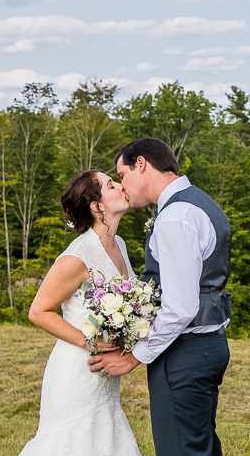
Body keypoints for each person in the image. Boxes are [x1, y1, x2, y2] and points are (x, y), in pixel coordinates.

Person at [89, 138, 232, 456]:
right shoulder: (199, 202)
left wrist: (134, 356)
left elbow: (180, 307)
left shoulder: (176, 217)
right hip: (208, 345)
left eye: (122, 175)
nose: (123, 186)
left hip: (184, 353)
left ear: (141, 164)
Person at [20, 170, 142, 456]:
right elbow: (38, 312)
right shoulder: (78, 256)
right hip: (77, 373)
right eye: (111, 185)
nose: (121, 186)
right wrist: (88, 342)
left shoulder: (119, 244)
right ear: (97, 206)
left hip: (106, 379)